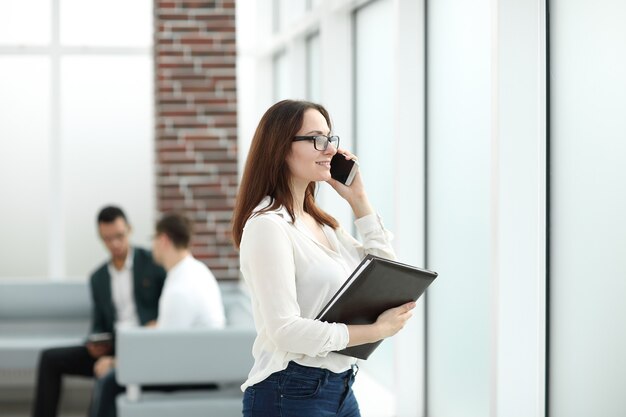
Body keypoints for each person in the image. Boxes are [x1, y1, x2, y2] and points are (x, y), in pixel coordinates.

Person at [231, 99, 417, 417]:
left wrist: (359, 199)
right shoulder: (267, 226)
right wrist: (375, 331)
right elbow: (285, 330)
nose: (329, 149)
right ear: (281, 148)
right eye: (317, 139)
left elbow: (386, 272)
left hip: (341, 388)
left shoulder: (323, 224)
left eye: (330, 139)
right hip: (289, 393)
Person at [32, 206, 166, 417]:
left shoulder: (152, 263)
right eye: (107, 238)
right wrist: (93, 341)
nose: (114, 244)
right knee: (50, 359)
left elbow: (167, 312)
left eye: (119, 236)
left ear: (129, 230)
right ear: (100, 237)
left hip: (142, 345)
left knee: (104, 381)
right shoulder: (98, 277)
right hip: (111, 345)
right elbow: (99, 322)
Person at [89, 212, 225, 417]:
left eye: (153, 239)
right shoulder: (194, 271)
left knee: (110, 382)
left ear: (163, 240)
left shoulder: (179, 289)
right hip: (200, 363)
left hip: (191, 373)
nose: (152, 246)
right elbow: (167, 333)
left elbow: (163, 352)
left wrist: (115, 361)